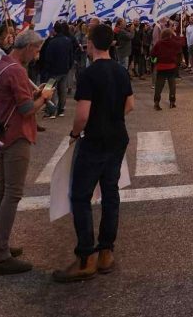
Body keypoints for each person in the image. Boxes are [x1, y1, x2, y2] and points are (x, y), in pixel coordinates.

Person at [53, 24, 134, 283]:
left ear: (90, 44)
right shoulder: (121, 71)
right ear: (111, 43)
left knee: (80, 196)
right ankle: (106, 251)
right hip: (117, 137)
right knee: (111, 193)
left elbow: (83, 115)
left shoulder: (88, 74)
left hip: (95, 141)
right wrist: (112, 117)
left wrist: (75, 135)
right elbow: (129, 104)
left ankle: (86, 256)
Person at [0, 30, 54, 275]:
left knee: (1, 191)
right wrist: (43, 98)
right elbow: (26, 109)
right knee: (12, 193)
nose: (36, 56)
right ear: (26, 47)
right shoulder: (16, 71)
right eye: (36, 50)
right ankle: (0, 254)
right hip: (17, 135)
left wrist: (33, 94)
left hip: (3, 133)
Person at [39, 22, 74, 119]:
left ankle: (51, 110)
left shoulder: (52, 42)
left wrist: (46, 69)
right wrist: (69, 66)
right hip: (64, 70)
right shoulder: (67, 40)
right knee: (62, 90)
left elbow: (48, 58)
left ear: (54, 30)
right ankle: (61, 110)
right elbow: (71, 55)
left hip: (53, 71)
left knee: (49, 90)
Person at [151, 28, 182, 109]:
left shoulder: (159, 43)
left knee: (159, 85)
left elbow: (153, 53)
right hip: (171, 66)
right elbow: (180, 47)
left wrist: (155, 60)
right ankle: (172, 102)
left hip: (161, 66)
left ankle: (156, 102)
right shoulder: (174, 43)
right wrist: (176, 37)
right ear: (170, 35)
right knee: (172, 85)